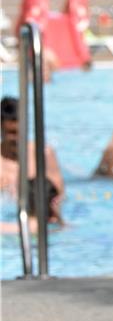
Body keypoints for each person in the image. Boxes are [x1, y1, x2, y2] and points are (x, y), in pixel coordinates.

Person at [0, 97, 65, 232]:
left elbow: (58, 196)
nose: (18, 138)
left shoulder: (44, 154)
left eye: (21, 132)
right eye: (11, 133)